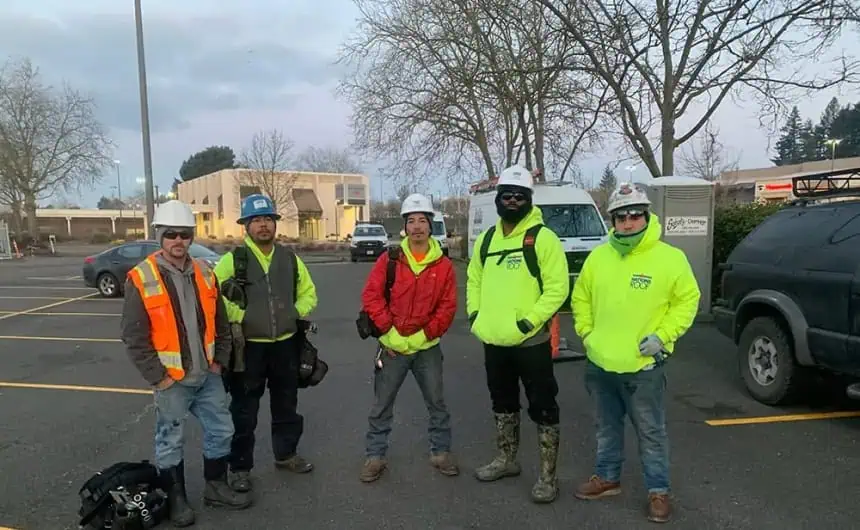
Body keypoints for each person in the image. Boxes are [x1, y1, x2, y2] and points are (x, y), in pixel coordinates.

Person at [570, 182, 700, 524]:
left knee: (651, 431)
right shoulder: (599, 257)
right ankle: (608, 477)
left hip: (643, 367)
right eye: (621, 217)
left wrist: (664, 336)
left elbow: (687, 301)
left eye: (634, 216)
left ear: (646, 216)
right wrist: (586, 332)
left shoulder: (670, 258)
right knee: (606, 426)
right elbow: (580, 297)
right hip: (600, 363)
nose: (628, 223)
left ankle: (658, 491)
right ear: (612, 220)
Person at [120, 200, 251, 527]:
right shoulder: (141, 277)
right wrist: (159, 377)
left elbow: (221, 324)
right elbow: (134, 336)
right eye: (171, 234)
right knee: (170, 441)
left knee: (222, 430)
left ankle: (215, 486)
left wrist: (219, 361)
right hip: (172, 380)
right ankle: (176, 498)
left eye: (185, 234)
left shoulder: (206, 273)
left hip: (207, 374)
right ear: (160, 236)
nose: (178, 241)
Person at [467, 165, 570, 504]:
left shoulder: (543, 238)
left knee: (543, 406)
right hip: (494, 340)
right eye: (506, 196)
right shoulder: (486, 240)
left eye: (519, 196)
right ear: (497, 200)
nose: (512, 201)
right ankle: (507, 460)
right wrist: (475, 316)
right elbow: (474, 281)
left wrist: (529, 323)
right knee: (503, 403)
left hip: (531, 342)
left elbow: (557, 290)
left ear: (529, 199)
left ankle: (547, 477)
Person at [214, 194, 319, 494]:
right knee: (244, 411)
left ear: (275, 224)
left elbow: (309, 292)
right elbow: (214, 296)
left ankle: (285, 455)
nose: (263, 225)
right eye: (256, 220)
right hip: (249, 348)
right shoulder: (232, 260)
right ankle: (240, 468)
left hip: (286, 345)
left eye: (267, 219)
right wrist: (242, 315)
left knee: (286, 405)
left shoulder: (290, 258)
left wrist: (294, 312)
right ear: (246, 226)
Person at [358, 193, 459, 483]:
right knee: (382, 405)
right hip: (391, 347)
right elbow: (372, 296)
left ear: (430, 225)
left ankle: (440, 452)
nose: (417, 227)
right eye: (411, 221)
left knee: (437, 403)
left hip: (427, 349)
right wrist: (389, 333)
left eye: (422, 221)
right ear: (405, 226)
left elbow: (447, 307)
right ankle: (375, 456)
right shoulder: (389, 259)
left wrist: (422, 336)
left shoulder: (443, 266)